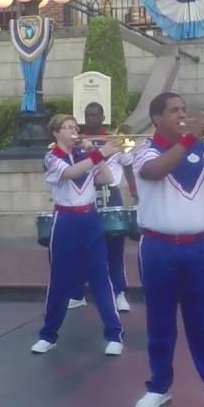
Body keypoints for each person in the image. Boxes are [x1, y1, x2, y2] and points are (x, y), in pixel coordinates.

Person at [131, 92, 204, 407]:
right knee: (160, 320)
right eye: (174, 110)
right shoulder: (144, 150)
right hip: (158, 247)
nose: (181, 115)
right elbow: (155, 171)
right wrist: (190, 137)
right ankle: (159, 386)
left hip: (197, 247)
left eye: (184, 109)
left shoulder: (200, 150)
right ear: (156, 119)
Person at [30, 114, 125, 355]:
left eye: (75, 127)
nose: (74, 131)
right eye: (67, 127)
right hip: (66, 220)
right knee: (60, 280)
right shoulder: (52, 157)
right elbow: (71, 173)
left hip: (90, 219)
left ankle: (114, 334)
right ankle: (48, 335)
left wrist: (95, 154)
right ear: (56, 133)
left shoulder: (85, 155)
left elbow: (108, 179)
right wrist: (99, 154)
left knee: (100, 276)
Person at [75, 101, 136, 313]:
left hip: (111, 195)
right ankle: (78, 293)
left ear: (102, 117)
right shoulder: (78, 141)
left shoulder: (114, 140)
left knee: (115, 246)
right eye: (87, 115)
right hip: (86, 195)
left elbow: (128, 166)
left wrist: (134, 191)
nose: (91, 118)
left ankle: (119, 293)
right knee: (83, 246)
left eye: (95, 115)